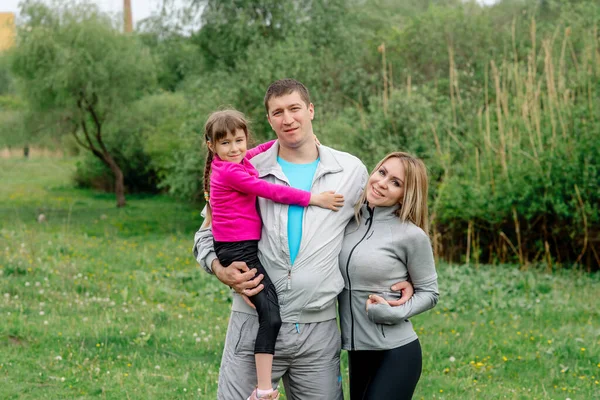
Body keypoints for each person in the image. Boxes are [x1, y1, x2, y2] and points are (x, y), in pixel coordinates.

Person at [194, 79, 412, 400]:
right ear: (269, 120)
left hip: (318, 333)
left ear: (310, 110)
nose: (288, 119)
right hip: (253, 323)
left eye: (295, 108)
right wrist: (217, 266)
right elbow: (206, 233)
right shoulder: (244, 167)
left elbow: (374, 230)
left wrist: (402, 274)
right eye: (278, 112)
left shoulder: (349, 170)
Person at [201, 108, 344, 400]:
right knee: (271, 314)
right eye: (225, 143)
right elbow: (270, 191)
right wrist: (315, 199)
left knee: (269, 310)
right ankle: (264, 390)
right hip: (238, 249)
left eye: (238, 141)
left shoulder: (235, 161)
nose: (235, 149)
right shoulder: (230, 172)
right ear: (211, 146)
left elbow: (252, 151)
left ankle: (264, 386)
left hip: (243, 248)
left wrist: (275, 142)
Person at [338, 152, 439, 400]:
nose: (382, 183)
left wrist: (394, 313)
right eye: (382, 173)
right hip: (357, 353)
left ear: (406, 194)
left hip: (395, 352)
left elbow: (430, 293)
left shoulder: (411, 235)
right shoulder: (347, 220)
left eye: (396, 183)